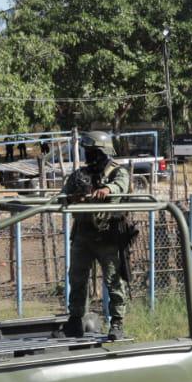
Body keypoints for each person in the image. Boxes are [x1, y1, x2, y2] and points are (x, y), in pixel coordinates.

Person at [62, 131, 132, 340]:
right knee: (77, 278)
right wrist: (70, 197)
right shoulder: (80, 174)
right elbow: (63, 195)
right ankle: (76, 320)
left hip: (107, 236)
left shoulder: (117, 172)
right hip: (83, 234)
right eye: (86, 151)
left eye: (92, 151)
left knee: (114, 280)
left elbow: (120, 186)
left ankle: (117, 323)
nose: (88, 155)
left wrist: (107, 189)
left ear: (102, 152)